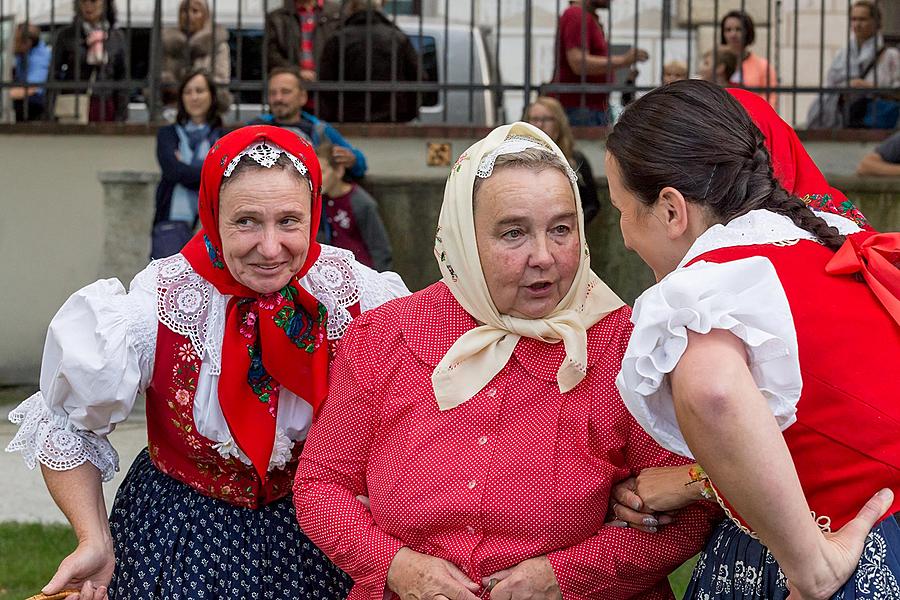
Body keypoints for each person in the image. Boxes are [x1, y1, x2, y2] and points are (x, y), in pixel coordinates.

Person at [294, 121, 720, 600]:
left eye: (561, 229)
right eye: (513, 233)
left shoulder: (627, 346)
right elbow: (320, 486)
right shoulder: (387, 337)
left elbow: (685, 514)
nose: (544, 256)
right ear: (464, 238)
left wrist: (565, 576)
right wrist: (397, 566)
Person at [6, 125, 410, 599]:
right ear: (213, 215)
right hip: (179, 535)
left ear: (314, 213)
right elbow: (66, 423)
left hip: (324, 534)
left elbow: (416, 427)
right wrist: (92, 536)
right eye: (246, 222)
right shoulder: (157, 302)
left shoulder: (360, 297)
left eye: (289, 221)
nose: (270, 246)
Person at [604, 79, 899, 599]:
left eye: (623, 208)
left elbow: (712, 392)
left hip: (845, 552)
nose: (625, 234)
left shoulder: (712, 285)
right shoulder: (832, 237)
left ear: (671, 210)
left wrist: (811, 566)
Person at [151, 70, 225, 260]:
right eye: (188, 92)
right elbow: (174, 171)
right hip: (172, 222)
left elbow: (226, 176)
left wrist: (185, 168)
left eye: (200, 90)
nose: (194, 97)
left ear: (212, 96)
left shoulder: (224, 137)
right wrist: (209, 173)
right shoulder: (168, 134)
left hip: (215, 225)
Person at [252, 66, 367, 179]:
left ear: (303, 97)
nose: (278, 98)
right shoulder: (255, 127)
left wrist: (352, 160)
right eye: (272, 93)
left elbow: (360, 165)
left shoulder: (319, 129)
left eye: (285, 92)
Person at [317, 0, 421, 123]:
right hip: (393, 116)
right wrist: (408, 112)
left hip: (348, 117)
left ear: (351, 10)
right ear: (380, 10)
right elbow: (418, 78)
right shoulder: (397, 38)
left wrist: (331, 116)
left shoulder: (338, 38)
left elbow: (326, 82)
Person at [551, 0, 648, 126]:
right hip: (580, 109)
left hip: (587, 107)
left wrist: (622, 74)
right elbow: (578, 63)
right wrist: (623, 60)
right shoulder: (576, 14)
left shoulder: (584, 16)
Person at [807, 1, 900, 129]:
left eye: (863, 19)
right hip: (845, 119)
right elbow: (829, 87)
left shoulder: (890, 55)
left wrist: (870, 87)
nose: (857, 24)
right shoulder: (843, 55)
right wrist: (847, 86)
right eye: (854, 19)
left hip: (878, 121)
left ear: (876, 22)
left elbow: (897, 92)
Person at [315, 140, 393, 271]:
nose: (317, 178)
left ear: (339, 171)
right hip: (333, 273)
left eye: (322, 172)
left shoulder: (361, 203)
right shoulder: (320, 200)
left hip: (362, 273)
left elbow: (380, 250)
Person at [524, 96, 600, 223]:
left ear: (559, 123)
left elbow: (592, 204)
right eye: (535, 119)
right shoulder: (516, 159)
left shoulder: (575, 160)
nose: (540, 125)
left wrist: (574, 226)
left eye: (547, 119)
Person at [49, 0, 128, 122]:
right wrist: (49, 111)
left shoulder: (116, 37)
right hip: (74, 103)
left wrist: (121, 115)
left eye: (93, 1)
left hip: (105, 104)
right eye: (83, 2)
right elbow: (54, 75)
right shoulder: (66, 35)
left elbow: (122, 78)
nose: (88, 6)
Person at [160, 0, 231, 110]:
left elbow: (221, 80)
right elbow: (158, 78)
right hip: (173, 109)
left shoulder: (217, 44)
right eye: (184, 11)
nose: (188, 16)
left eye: (195, 11)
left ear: (205, 15)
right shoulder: (168, 43)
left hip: (208, 111)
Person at [265, 0, 341, 82]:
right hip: (291, 83)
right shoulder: (277, 17)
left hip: (330, 84)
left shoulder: (337, 13)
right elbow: (271, 54)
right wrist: (297, 72)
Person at [720, 10, 778, 108]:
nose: (733, 34)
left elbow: (770, 100)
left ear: (748, 32)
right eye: (728, 30)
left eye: (738, 29)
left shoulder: (762, 66)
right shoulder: (716, 64)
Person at [12, 23, 52, 122]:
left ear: (27, 43)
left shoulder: (39, 58)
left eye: (15, 40)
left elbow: (31, 88)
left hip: (35, 101)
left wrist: (5, 94)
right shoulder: (22, 53)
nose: (12, 44)